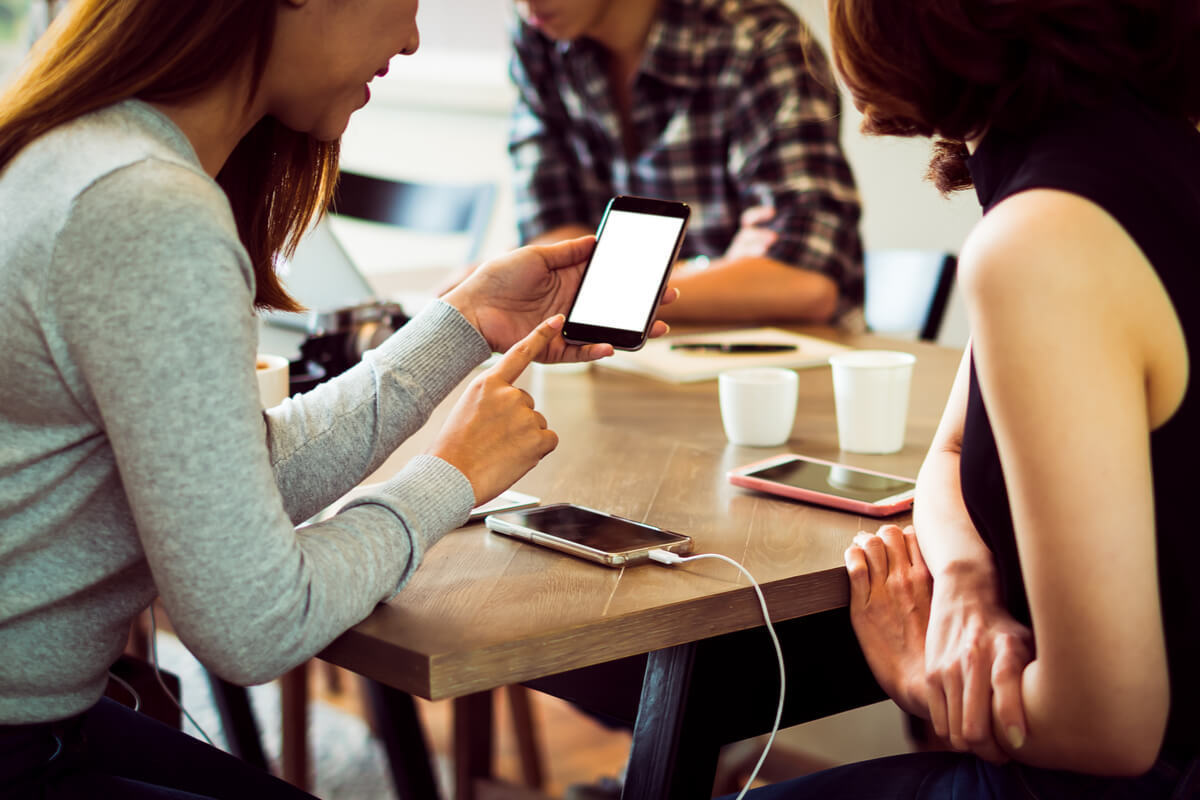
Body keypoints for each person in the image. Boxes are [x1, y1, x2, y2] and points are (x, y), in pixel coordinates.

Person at [0, 2, 674, 797]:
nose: (414, 38)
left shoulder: (88, 151)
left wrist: (462, 326)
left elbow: (224, 484)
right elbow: (256, 621)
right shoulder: (145, 206)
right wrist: (448, 475)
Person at [736, 0, 1200, 797]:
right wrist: (965, 582)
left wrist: (916, 672)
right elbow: (948, 451)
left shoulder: (1045, 238)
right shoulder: (1117, 170)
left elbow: (1108, 728)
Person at [508, 0, 864, 325]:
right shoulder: (540, 37)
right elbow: (552, 246)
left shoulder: (757, 39)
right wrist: (708, 271)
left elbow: (804, 285)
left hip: (780, 366)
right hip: (628, 360)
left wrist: (598, 287)